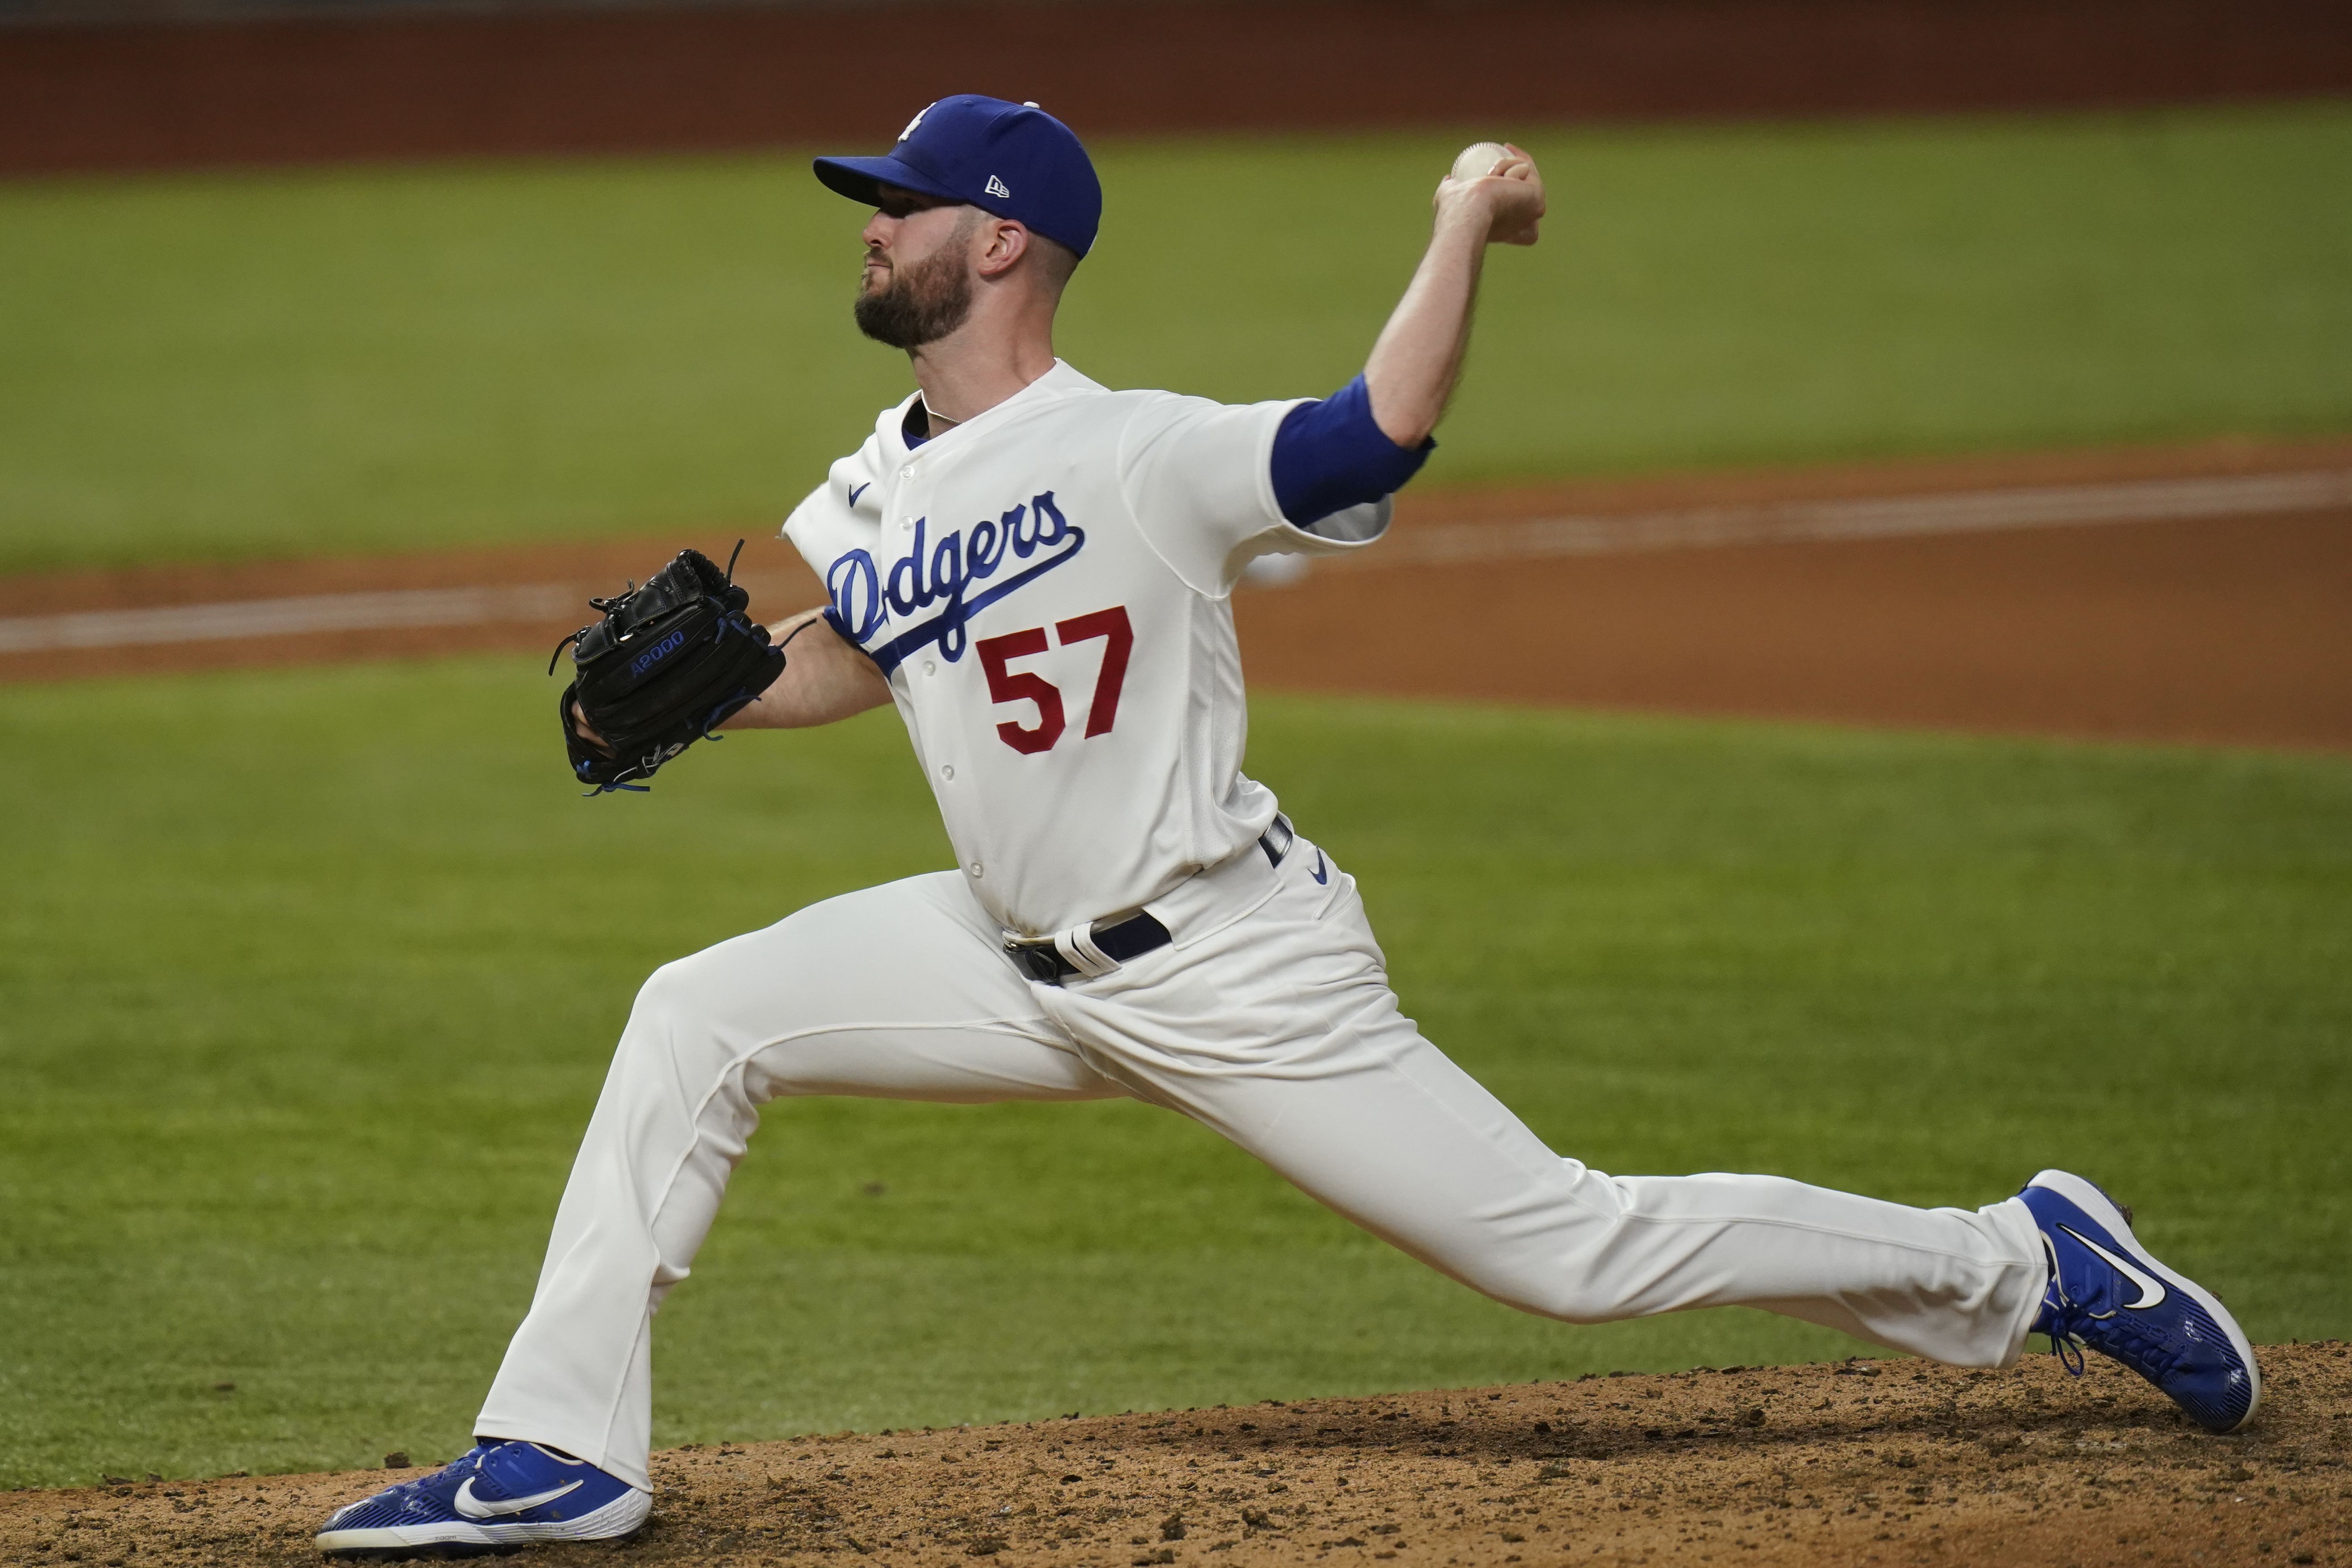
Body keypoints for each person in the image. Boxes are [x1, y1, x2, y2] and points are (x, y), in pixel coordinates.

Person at [314, 96, 2259, 1561]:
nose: (872, 223)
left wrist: (1461, 222)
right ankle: (564, 1444)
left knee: (1570, 1253)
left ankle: (2029, 1256)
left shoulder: (1144, 451)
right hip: (1004, 951)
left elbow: (1366, 436)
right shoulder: (880, 481)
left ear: (1000, 246)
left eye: (899, 202)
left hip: (1232, 962)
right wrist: (728, 686)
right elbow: (860, 658)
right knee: (696, 1010)